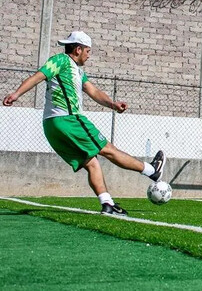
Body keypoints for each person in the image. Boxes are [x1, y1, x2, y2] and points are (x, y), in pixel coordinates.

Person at [2, 31, 165, 216]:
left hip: (51, 126)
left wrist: (112, 104)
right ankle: (152, 170)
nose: (89, 55)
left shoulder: (77, 71)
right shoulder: (61, 61)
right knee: (108, 149)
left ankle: (108, 204)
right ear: (78, 49)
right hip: (69, 119)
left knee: (91, 163)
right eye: (88, 51)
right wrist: (16, 94)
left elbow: (92, 90)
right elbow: (38, 76)